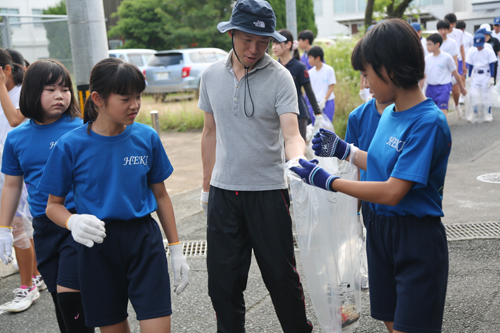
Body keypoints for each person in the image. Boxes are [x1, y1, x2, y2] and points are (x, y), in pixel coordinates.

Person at [291, 19, 450, 333]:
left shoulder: (428, 122)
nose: (364, 83)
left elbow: (393, 190)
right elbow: (379, 162)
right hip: (379, 230)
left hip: (413, 237)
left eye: (367, 73)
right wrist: (345, 151)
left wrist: (329, 181)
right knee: (392, 323)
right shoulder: (389, 112)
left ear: (390, 68)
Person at [38, 58, 190, 333]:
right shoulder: (70, 145)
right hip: (97, 245)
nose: (135, 105)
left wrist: (176, 246)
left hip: (143, 241)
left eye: (139, 97)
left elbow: (162, 196)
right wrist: (73, 222)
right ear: (98, 98)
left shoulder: (146, 137)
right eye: (125, 98)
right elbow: (53, 207)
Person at [198, 0, 313, 332]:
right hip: (223, 194)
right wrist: (206, 188)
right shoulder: (209, 76)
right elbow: (209, 132)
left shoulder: (280, 78)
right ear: (231, 33)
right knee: (223, 284)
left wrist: (297, 161)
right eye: (247, 39)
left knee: (282, 280)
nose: (255, 49)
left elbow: (292, 134)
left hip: (268, 192)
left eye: (263, 42)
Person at [0, 59, 91, 331]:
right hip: (43, 226)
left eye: (64, 89)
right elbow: (13, 185)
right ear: (31, 92)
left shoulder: (83, 127)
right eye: (50, 89)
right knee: (58, 298)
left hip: (79, 222)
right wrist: (4, 228)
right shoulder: (17, 138)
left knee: (71, 297)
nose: (60, 95)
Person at [0, 48, 41, 314]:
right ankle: (35, 275)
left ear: (7, 70)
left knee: (19, 228)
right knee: (18, 228)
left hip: (18, 174)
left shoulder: (24, 93)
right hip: (4, 170)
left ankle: (28, 287)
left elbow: (15, 120)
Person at [272, 29, 321, 141]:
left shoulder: (299, 67)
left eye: (277, 43)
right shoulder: (273, 67)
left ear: (288, 44)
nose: (274, 47)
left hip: (298, 114)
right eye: (273, 44)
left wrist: (317, 113)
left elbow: (309, 91)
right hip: (278, 114)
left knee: (297, 148)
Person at [424, 33, 467, 118]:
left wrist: (462, 88)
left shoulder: (446, 57)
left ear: (437, 44)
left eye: (429, 44)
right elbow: (423, 76)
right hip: (430, 88)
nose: (427, 47)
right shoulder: (427, 59)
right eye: (427, 44)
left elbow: (456, 74)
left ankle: (444, 131)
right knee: (431, 113)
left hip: (443, 88)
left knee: (442, 112)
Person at [466, 33, 497, 122]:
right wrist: (469, 77)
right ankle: (474, 112)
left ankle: (488, 113)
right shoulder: (472, 51)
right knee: (473, 94)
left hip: (486, 75)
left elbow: (492, 64)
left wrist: (492, 77)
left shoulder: (488, 51)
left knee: (486, 95)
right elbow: (470, 65)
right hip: (475, 75)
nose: (478, 47)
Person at [307, 46, 336, 125]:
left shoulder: (329, 70)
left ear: (318, 58)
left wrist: (324, 100)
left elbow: (331, 87)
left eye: (310, 58)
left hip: (327, 102)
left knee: (327, 127)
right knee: (315, 127)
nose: (308, 60)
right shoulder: (310, 73)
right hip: (314, 103)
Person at [444, 14, 467, 110]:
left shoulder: (459, 33)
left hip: (458, 60)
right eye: (449, 24)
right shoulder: (442, 33)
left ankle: (457, 104)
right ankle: (445, 107)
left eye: (452, 24)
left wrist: (464, 64)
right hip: (445, 62)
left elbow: (462, 49)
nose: (451, 26)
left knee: (457, 85)